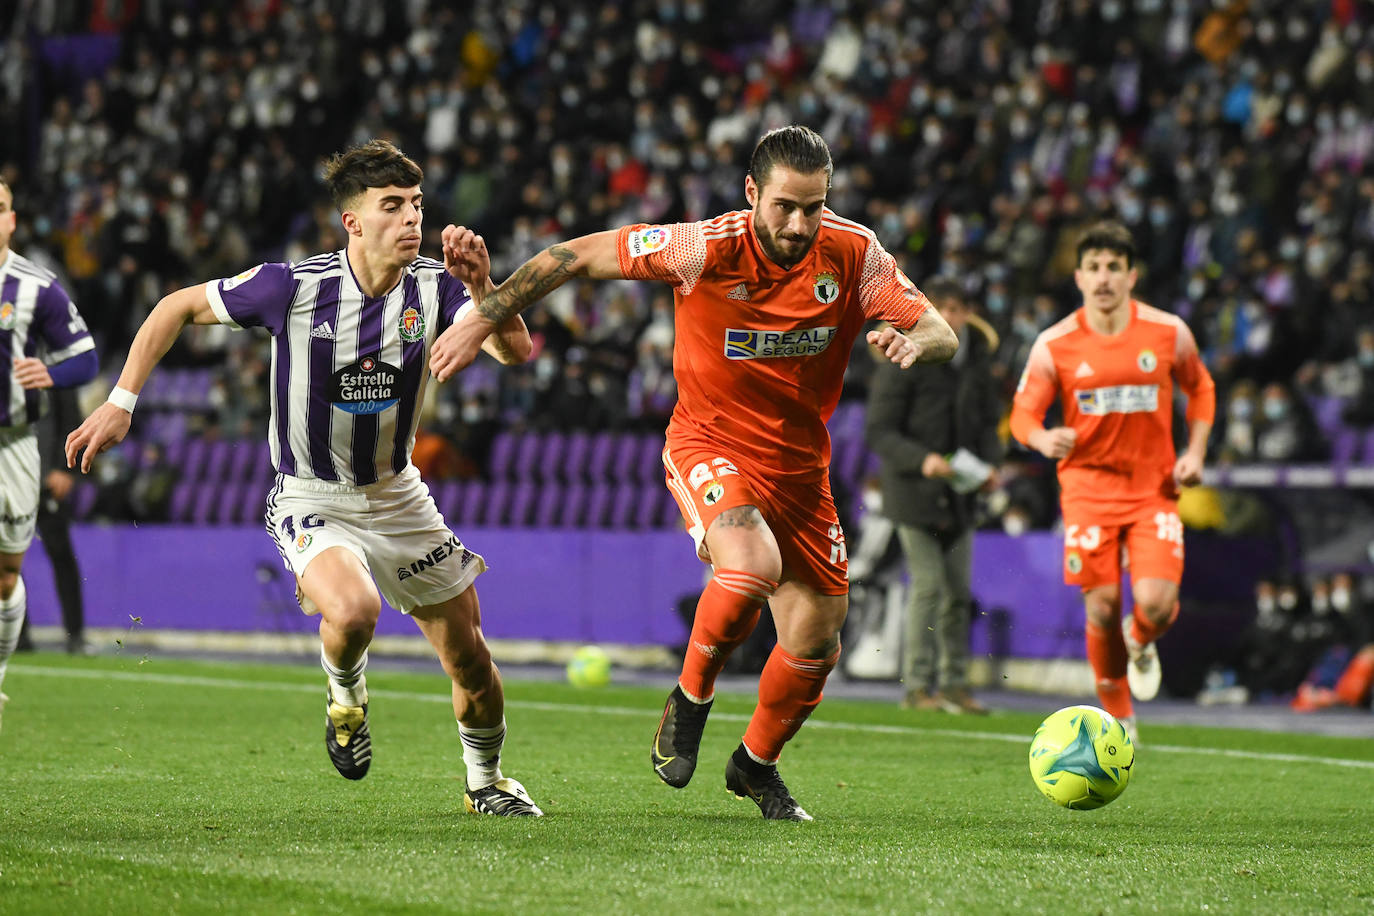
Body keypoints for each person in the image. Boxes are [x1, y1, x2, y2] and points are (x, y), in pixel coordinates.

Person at [430, 125, 958, 820]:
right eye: (785, 207)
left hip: (801, 468)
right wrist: (485, 313)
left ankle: (755, 766)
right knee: (749, 567)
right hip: (711, 443)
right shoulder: (702, 247)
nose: (800, 224)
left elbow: (941, 332)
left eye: (815, 207)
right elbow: (578, 255)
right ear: (752, 193)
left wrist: (912, 341)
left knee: (818, 637)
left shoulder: (855, 253)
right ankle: (690, 698)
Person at [66, 140, 545, 815]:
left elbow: (514, 349)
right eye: (392, 206)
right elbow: (176, 305)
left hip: (399, 494)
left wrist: (482, 289)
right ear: (353, 222)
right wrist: (121, 402)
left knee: (470, 658)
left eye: (416, 204)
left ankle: (486, 781)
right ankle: (346, 698)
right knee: (353, 610)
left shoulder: (433, 285)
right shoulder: (291, 287)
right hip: (312, 494)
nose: (412, 218)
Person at [1009, 220, 1216, 744]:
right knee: (1101, 605)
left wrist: (1194, 453)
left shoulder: (1168, 332)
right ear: (1078, 276)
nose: (1104, 278)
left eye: (1114, 268)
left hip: (1154, 491)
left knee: (1156, 604)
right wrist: (1041, 438)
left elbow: (1203, 388)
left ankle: (1141, 639)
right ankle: (1119, 713)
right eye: (1094, 268)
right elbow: (1023, 414)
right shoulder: (1054, 343)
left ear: (1132, 276)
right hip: (1087, 490)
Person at [864, 278, 1003, 715]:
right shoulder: (902, 359)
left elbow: (987, 426)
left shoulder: (977, 366)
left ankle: (955, 684)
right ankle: (919, 686)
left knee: (957, 592)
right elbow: (879, 431)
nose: (954, 317)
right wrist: (921, 460)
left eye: (959, 308)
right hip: (913, 494)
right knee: (928, 587)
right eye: (945, 308)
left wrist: (991, 465)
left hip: (960, 494)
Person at [0, 176, 100, 731]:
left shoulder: (36, 288)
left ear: (12, 219)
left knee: (8, 577)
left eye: (0, 209)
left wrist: (51, 372)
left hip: (15, 444)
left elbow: (84, 360)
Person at [16, 385, 92, 654]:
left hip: (48, 482)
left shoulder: (53, 370)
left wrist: (64, 469)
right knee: (8, 563)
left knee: (61, 554)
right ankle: (18, 637)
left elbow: (71, 419)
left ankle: (76, 635)